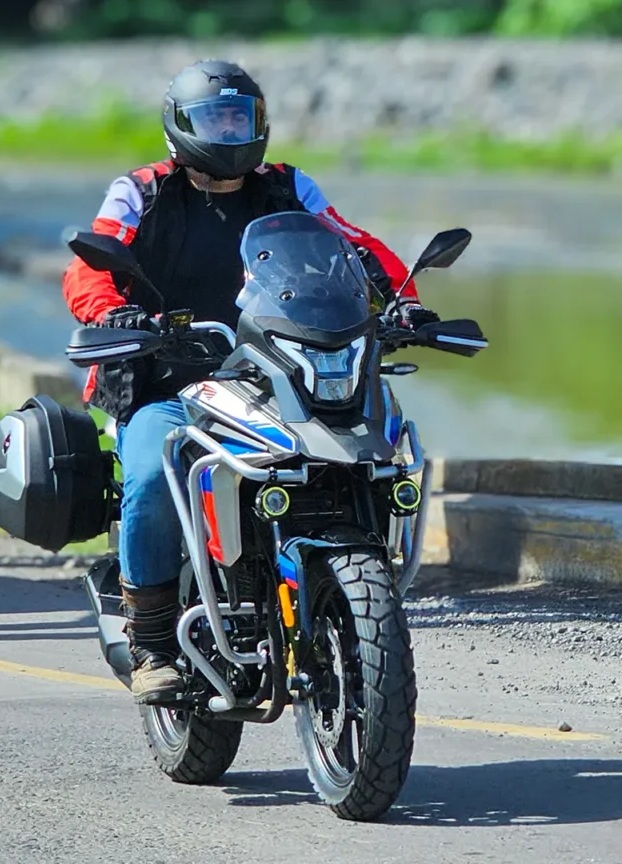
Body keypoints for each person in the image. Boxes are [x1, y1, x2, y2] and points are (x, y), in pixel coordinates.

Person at [62, 58, 441, 704]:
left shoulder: (290, 188)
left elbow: (354, 245)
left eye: (241, 117)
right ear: (181, 126)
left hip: (272, 375)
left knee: (372, 437)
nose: (230, 131)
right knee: (156, 472)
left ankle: (329, 582)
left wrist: (396, 296)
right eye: (216, 119)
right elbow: (88, 267)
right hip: (167, 376)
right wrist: (116, 311)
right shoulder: (141, 191)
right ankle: (151, 641)